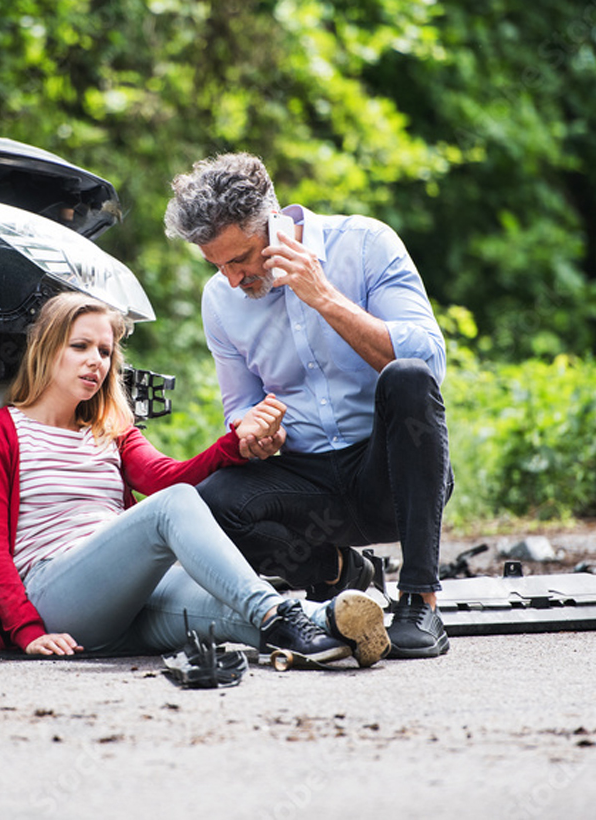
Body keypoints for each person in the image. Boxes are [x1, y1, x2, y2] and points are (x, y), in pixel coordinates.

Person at [0, 291, 390, 667]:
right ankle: (282, 619)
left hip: (121, 602)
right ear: (47, 349)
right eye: (80, 346)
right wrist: (27, 629)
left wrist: (234, 446)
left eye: (105, 352)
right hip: (54, 599)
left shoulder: (112, 431)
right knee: (175, 509)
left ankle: (332, 623)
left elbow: (166, 478)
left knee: (224, 602)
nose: (96, 361)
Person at [164, 153, 453, 659]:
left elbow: (427, 361)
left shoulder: (365, 243)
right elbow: (239, 406)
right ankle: (335, 571)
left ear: (276, 228)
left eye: (241, 259)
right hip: (307, 485)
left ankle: (420, 600)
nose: (233, 279)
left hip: (388, 473)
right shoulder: (220, 300)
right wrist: (252, 432)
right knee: (205, 503)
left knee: (406, 376)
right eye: (217, 265)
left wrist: (324, 297)